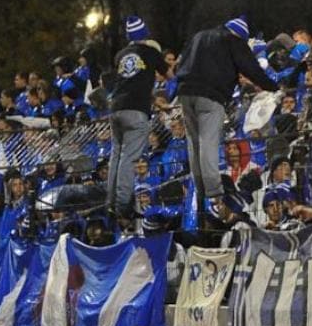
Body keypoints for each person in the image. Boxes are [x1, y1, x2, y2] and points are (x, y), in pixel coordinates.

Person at [174, 16, 279, 224]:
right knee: (208, 141)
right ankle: (213, 191)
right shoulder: (232, 40)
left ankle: (201, 187)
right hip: (211, 95)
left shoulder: (199, 36)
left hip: (185, 92)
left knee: (193, 143)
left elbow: (180, 63)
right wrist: (272, 86)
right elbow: (250, 67)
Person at [104, 15, 168, 228]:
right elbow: (168, 74)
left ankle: (111, 201)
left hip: (115, 110)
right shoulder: (151, 52)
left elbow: (131, 81)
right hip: (136, 112)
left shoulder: (121, 55)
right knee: (129, 158)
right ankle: (123, 204)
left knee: (116, 155)